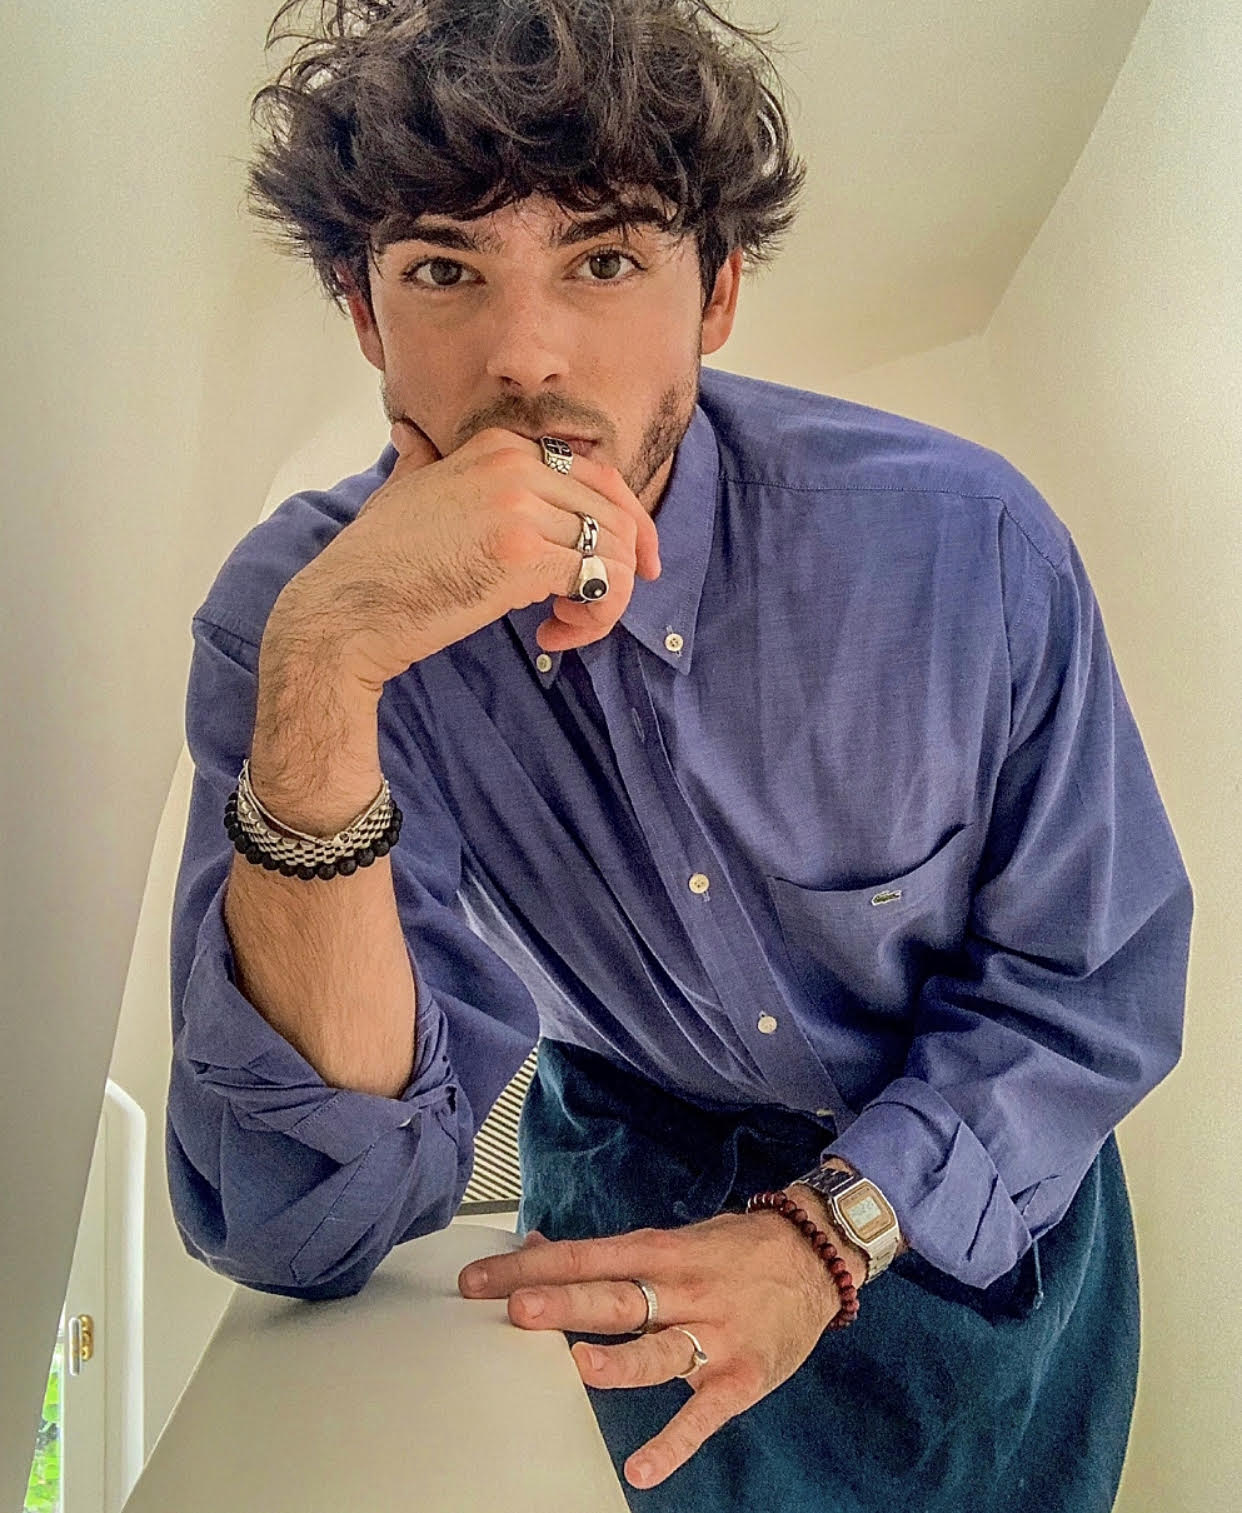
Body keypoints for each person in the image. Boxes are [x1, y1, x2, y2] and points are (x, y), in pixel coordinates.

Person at [166, 2, 1193, 1509]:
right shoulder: (299, 611)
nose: (525, 356)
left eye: (602, 261)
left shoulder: (962, 545)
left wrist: (829, 1229)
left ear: (715, 291)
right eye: (444, 269)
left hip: (986, 1201)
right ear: (363, 311)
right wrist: (327, 671)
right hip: (630, 1191)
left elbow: (1088, 990)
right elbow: (299, 1217)